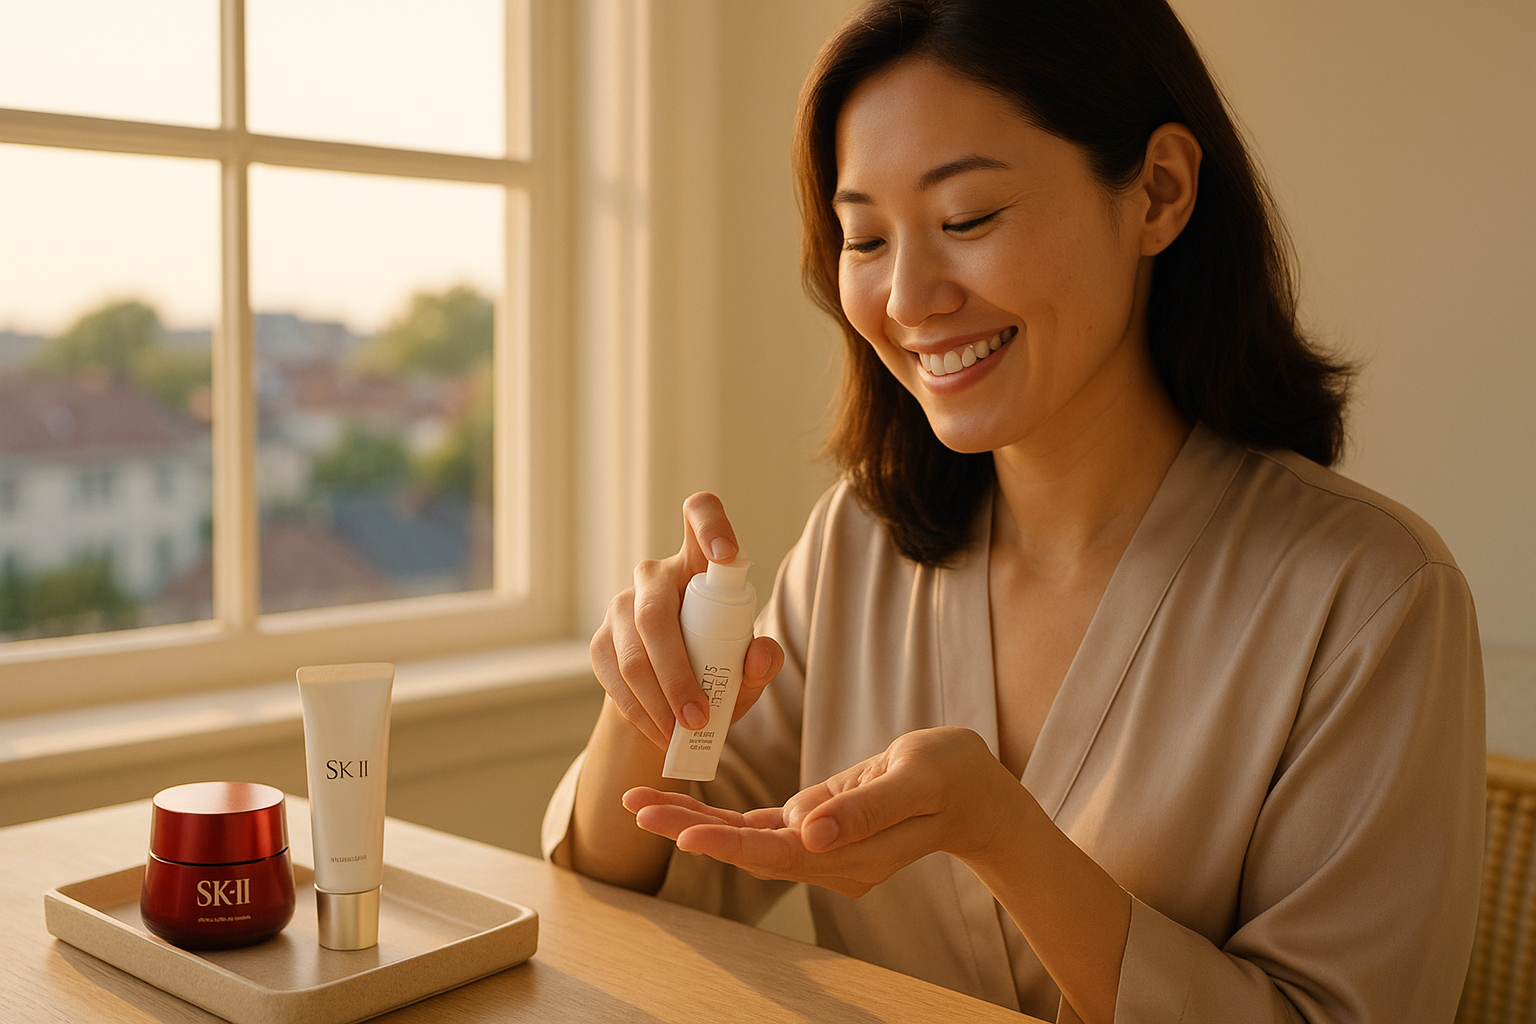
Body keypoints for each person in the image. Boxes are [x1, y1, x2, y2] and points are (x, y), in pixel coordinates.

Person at [543, 1, 1485, 1021]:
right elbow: (640, 886)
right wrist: (650, 704)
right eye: (865, 238)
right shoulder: (859, 544)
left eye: (967, 219)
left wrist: (1006, 839)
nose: (908, 298)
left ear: (1160, 192)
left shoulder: (1372, 596)